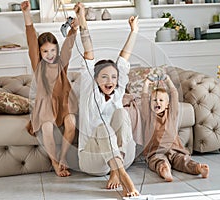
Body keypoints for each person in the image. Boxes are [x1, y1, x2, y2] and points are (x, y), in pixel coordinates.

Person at [73, 2, 139, 197]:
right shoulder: (89, 88)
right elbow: (88, 50)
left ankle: (116, 170)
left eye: (113, 77)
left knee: (121, 113)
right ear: (94, 78)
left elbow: (124, 58)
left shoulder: (118, 92)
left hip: (125, 154)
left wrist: (134, 31)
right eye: (104, 77)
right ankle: (123, 175)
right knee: (102, 127)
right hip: (92, 160)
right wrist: (82, 19)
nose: (109, 81)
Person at [21, 0, 78, 177]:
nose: (50, 55)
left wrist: (75, 28)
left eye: (53, 50)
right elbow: (31, 40)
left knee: (71, 124)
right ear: (39, 52)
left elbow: (69, 44)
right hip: (45, 103)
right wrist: (27, 15)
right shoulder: (38, 64)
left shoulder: (62, 63)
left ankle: (62, 158)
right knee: (46, 128)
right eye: (45, 51)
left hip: (64, 101)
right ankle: (54, 163)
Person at [141, 71, 209, 182]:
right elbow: (144, 98)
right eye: (154, 100)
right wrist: (147, 83)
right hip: (156, 151)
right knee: (158, 161)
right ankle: (164, 170)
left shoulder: (171, 113)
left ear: (167, 104)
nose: (157, 102)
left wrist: (168, 80)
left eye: (161, 100)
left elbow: (174, 94)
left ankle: (198, 168)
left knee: (183, 160)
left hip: (174, 150)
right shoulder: (148, 115)